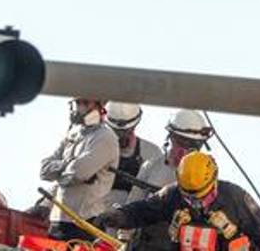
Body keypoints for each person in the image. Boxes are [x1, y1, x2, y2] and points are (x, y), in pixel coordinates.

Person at [97, 151, 260, 251]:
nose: (197, 203)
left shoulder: (236, 198)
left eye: (203, 197)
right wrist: (119, 216)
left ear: (214, 180)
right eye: (189, 198)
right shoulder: (172, 195)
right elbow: (144, 210)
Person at [123, 108, 214, 250]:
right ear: (170, 138)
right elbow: (132, 207)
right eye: (180, 143)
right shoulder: (152, 167)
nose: (184, 152)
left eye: (192, 147)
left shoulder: (207, 176)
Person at [39, 97, 119, 241]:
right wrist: (68, 165)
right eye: (77, 102)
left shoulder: (105, 137)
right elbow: (44, 170)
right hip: (58, 221)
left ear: (99, 107)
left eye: (86, 103)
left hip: (85, 223)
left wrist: (59, 170)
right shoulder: (73, 134)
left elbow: (77, 174)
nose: (79, 107)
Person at [103, 102, 163, 209]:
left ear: (135, 126)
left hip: (132, 219)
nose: (120, 137)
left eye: (126, 131)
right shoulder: (93, 150)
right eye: (115, 131)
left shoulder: (152, 153)